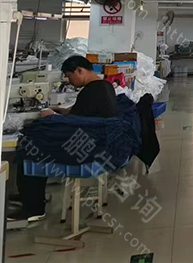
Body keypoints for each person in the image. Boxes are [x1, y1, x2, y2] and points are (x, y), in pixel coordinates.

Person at [9, 56, 118, 222]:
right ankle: (29, 194)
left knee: (29, 148)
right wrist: (62, 112)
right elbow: (83, 116)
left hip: (85, 148)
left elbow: (75, 123)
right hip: (96, 143)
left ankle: (33, 208)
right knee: (36, 142)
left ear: (79, 70)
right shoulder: (104, 86)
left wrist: (52, 117)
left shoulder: (91, 91)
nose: (68, 80)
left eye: (69, 76)